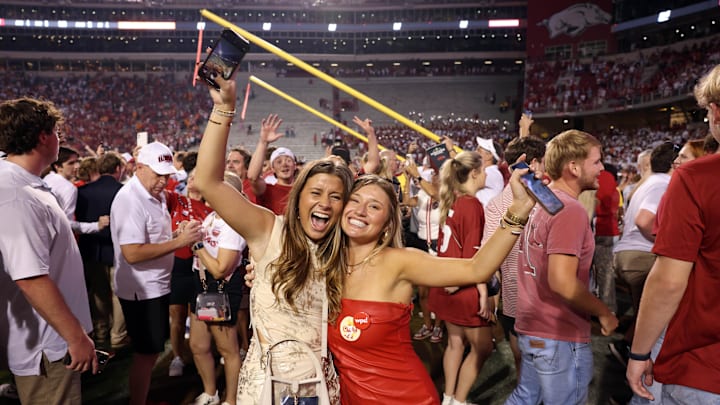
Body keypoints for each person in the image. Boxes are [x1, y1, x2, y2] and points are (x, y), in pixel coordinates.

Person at [193, 69, 352, 403]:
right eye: (316, 192)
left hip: (322, 388)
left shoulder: (346, 248)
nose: (324, 203)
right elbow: (209, 182)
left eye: (335, 197)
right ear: (298, 195)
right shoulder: (268, 228)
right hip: (265, 387)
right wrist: (224, 109)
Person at [327, 165, 536, 404]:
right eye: (354, 200)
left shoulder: (401, 262)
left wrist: (519, 209)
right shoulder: (327, 264)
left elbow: (478, 268)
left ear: (387, 225)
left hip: (404, 398)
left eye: (374, 206)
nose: (360, 211)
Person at [627, 64, 720, 402]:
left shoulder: (696, 178)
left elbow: (669, 279)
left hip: (703, 365)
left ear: (714, 111)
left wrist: (639, 353)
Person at [506, 129, 619, 405]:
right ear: (574, 167)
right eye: (596, 161)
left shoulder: (541, 200)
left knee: (526, 397)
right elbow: (561, 281)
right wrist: (604, 312)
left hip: (532, 324)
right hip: (558, 332)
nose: (602, 168)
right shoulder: (569, 209)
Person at [0, 97, 97, 404]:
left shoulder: (23, 185)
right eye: (57, 132)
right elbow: (29, 277)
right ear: (43, 136)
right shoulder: (16, 194)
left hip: (50, 336)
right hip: (47, 343)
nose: (60, 139)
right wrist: (75, 336)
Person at [110, 141, 204, 405]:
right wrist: (180, 242)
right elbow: (133, 253)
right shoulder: (130, 199)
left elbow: (151, 237)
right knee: (146, 354)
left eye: (167, 175)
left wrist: (174, 235)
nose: (164, 181)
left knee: (151, 351)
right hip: (143, 289)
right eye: (158, 174)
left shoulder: (154, 195)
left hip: (156, 285)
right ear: (139, 168)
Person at [425, 151, 494, 405]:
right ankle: (460, 400)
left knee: (455, 343)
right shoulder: (471, 204)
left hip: (445, 282)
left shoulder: (452, 199)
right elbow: (472, 256)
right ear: (473, 173)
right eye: (484, 169)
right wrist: (484, 292)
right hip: (463, 286)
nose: (487, 173)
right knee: (482, 347)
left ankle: (448, 398)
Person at [482, 134, 547, 380]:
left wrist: (488, 293)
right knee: (546, 359)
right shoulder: (549, 199)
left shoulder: (496, 203)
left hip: (514, 299)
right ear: (533, 163)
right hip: (545, 296)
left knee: (523, 359)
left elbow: (489, 257)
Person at [609, 142, 677, 367]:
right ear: (673, 164)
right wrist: (668, 245)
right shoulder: (663, 183)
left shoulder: (650, 182)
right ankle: (635, 370)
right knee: (656, 322)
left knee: (646, 316)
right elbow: (644, 220)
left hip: (628, 254)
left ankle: (625, 347)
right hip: (640, 255)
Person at [189, 171, 247, 405]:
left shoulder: (234, 222)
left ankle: (231, 399)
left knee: (228, 349)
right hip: (201, 283)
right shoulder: (213, 215)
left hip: (220, 286)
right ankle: (211, 393)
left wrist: (198, 245)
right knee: (198, 344)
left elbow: (221, 268)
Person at [75, 151, 128, 349]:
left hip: (92, 250)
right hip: (118, 251)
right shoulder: (124, 191)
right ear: (117, 169)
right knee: (118, 294)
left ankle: (100, 333)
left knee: (98, 294)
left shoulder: (82, 192)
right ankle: (118, 336)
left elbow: (77, 221)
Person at [166, 167, 213, 377]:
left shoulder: (211, 209)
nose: (193, 179)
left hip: (199, 268)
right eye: (191, 176)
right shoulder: (175, 199)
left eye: (198, 176)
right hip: (176, 263)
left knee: (200, 315)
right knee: (176, 315)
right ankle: (177, 356)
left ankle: (201, 352)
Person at [247, 114, 297, 215]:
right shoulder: (268, 190)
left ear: (295, 165)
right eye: (279, 162)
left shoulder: (304, 190)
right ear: (272, 169)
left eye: (288, 160)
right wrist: (263, 142)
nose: (284, 164)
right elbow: (252, 177)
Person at [474, 137, 504, 207]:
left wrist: (451, 151)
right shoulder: (490, 172)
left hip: (485, 216)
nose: (475, 152)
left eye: (479, 150)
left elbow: (464, 179)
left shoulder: (492, 174)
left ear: (489, 156)